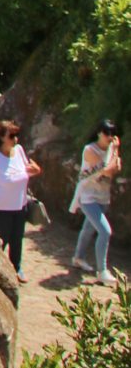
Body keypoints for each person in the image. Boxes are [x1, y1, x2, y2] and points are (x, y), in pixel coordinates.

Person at [0, 118, 42, 282]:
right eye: (11, 136)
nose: (15, 139)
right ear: (1, 138)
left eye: (16, 135)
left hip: (19, 206)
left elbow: (23, 171)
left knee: (17, 239)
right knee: (1, 240)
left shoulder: (19, 151)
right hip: (0, 209)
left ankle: (17, 267)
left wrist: (34, 170)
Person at [72, 119, 121, 285]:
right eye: (107, 133)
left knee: (88, 228)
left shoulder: (111, 151)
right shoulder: (90, 150)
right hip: (88, 197)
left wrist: (115, 151)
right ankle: (102, 271)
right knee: (105, 232)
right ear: (100, 132)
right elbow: (107, 169)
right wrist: (114, 151)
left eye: (113, 134)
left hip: (103, 197)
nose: (110, 137)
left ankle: (78, 258)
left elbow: (116, 169)